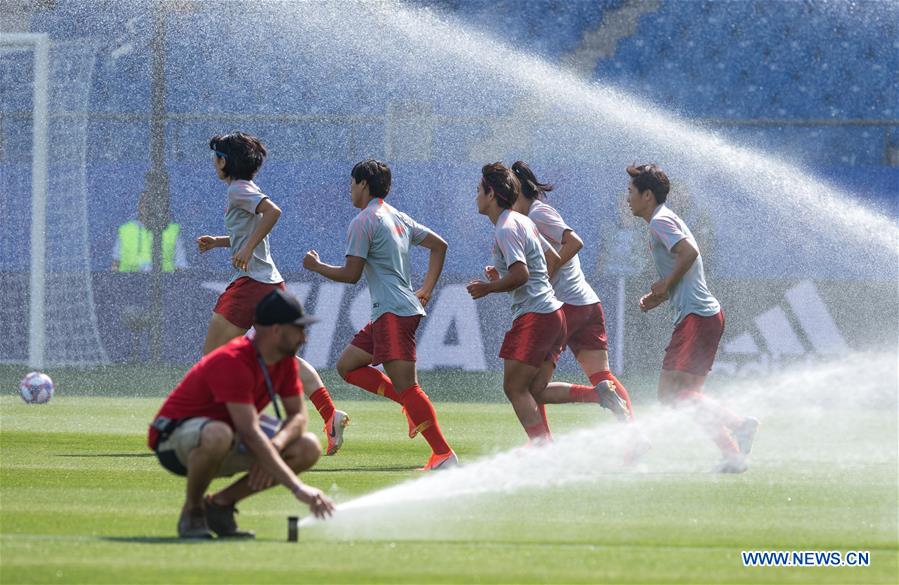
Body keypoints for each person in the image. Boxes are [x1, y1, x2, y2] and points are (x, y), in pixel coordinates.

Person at [198, 132, 349, 456]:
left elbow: (273, 212)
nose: (214, 163)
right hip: (270, 284)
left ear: (225, 161)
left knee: (212, 360)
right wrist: (220, 241)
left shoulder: (238, 189)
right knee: (284, 360)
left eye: (216, 158)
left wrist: (247, 248)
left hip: (251, 285)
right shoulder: (242, 190)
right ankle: (330, 414)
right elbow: (251, 228)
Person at [303, 159, 457, 471]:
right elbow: (440, 246)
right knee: (347, 366)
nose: (349, 190)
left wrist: (316, 266)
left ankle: (443, 455)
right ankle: (410, 407)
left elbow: (351, 274)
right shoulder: (397, 216)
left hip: (393, 313)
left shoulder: (363, 221)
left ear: (362, 184)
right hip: (394, 310)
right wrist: (425, 289)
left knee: (409, 387)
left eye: (351, 183)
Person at [148, 289, 335, 539]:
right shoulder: (233, 360)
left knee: (308, 447)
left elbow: (298, 417)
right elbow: (248, 430)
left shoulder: (285, 362)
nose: (304, 338)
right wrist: (298, 489)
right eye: (299, 329)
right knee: (218, 433)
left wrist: (276, 446)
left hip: (228, 437)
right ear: (277, 330)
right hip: (173, 441)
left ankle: (219, 505)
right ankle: (193, 512)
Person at [626, 163, 758, 473]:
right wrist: (658, 296)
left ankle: (740, 425)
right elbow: (685, 265)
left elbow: (689, 254)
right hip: (702, 315)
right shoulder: (661, 221)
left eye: (631, 192)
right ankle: (733, 456)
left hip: (697, 317)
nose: (627, 198)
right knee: (684, 397)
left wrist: (665, 285)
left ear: (647, 195)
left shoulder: (660, 221)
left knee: (672, 395)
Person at [509, 161, 636, 426]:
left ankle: (542, 445)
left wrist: (548, 269)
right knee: (603, 377)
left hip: (564, 306)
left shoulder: (538, 213)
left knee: (531, 386)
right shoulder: (526, 217)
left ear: (517, 187)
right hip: (586, 303)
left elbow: (575, 241)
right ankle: (633, 434)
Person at [466, 162, 566, 444]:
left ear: (491, 194)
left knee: (514, 387)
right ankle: (598, 394)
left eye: (478, 191)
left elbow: (521, 274)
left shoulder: (506, 228)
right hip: (553, 313)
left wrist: (489, 287)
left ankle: (543, 451)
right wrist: (504, 278)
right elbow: (553, 260)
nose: (475, 196)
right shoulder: (523, 221)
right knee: (534, 388)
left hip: (535, 315)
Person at [111, 187, 188, 272]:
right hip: (128, 283)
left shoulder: (172, 231)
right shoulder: (125, 231)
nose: (147, 207)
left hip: (162, 283)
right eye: (144, 203)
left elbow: (181, 268)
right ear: (139, 205)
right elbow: (115, 266)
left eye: (151, 204)